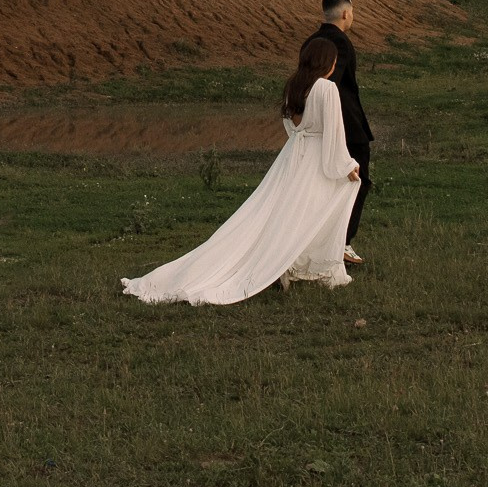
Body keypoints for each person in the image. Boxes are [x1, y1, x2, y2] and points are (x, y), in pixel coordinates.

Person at [121, 36, 361, 305]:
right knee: (308, 212)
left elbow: (291, 129)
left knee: (281, 212)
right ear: (327, 62)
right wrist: (346, 165)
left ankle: (286, 266)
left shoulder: (294, 86)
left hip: (292, 156)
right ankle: (291, 266)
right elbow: (333, 134)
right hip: (315, 158)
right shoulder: (326, 89)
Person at [308, 0, 373, 266]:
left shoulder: (310, 42)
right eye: (353, 11)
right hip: (346, 126)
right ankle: (342, 242)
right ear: (346, 13)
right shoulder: (341, 44)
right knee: (357, 181)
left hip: (318, 126)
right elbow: (329, 85)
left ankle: (325, 240)